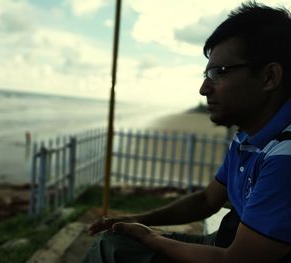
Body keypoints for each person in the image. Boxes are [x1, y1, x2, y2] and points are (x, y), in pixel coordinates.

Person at [82, 1, 291, 262]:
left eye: (219, 72)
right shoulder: (248, 137)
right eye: (206, 74)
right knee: (118, 239)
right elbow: (206, 200)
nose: (204, 88)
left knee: (110, 248)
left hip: (228, 253)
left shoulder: (284, 156)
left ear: (269, 76)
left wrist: (151, 237)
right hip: (224, 240)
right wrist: (137, 220)